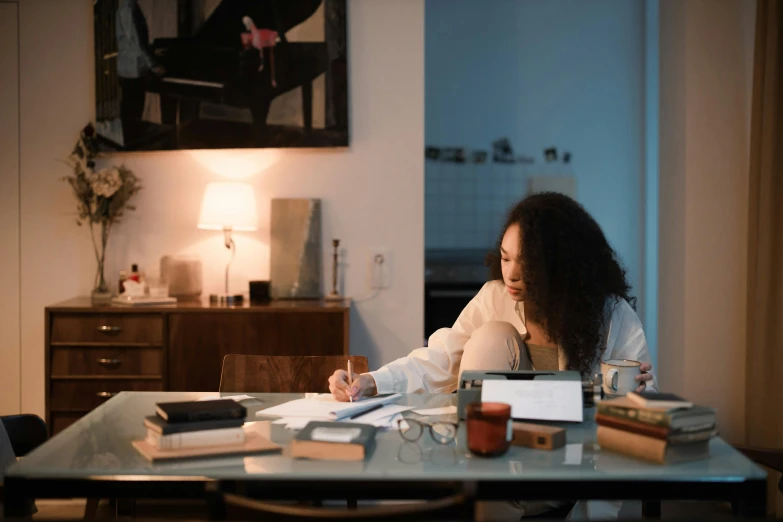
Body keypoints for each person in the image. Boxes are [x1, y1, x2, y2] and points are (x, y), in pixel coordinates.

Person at [328, 192, 656, 520]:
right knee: (492, 335)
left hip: (569, 475)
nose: (511, 274)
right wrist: (369, 381)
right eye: (505, 257)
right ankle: (481, 495)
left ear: (561, 267)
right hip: (497, 472)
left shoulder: (612, 314)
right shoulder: (495, 297)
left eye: (526, 264)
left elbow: (645, 410)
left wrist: (638, 398)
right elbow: (440, 358)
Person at [116, 0, 163, 145]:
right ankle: (132, 146)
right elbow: (136, 43)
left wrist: (152, 51)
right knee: (133, 114)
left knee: (132, 112)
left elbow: (136, 41)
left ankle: (131, 143)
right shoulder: (128, 7)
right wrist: (153, 65)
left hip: (130, 67)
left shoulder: (127, 6)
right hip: (132, 69)